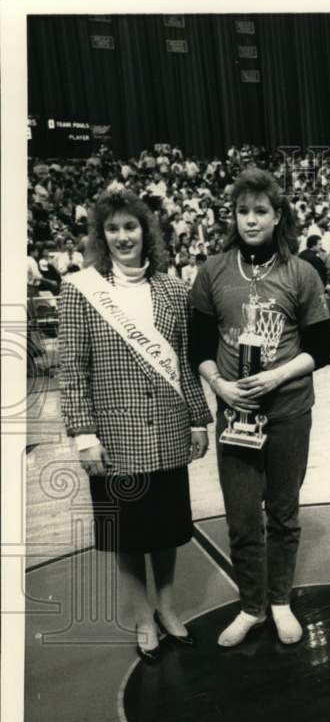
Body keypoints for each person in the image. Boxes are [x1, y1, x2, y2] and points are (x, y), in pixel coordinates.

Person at [58, 182, 212, 662]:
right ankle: (142, 617)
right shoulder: (79, 290)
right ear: (101, 236)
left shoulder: (171, 288)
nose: (124, 236)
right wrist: (84, 435)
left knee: (165, 529)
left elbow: (185, 363)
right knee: (127, 534)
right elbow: (71, 369)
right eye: (113, 228)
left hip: (167, 429)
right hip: (114, 437)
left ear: (147, 232)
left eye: (131, 227)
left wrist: (198, 420)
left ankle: (166, 609)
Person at [189, 168, 330, 648]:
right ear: (233, 216)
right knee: (240, 518)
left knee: (283, 513)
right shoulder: (213, 270)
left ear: (277, 216)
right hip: (234, 413)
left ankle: (279, 602)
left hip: (289, 411)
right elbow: (197, 345)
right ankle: (250, 607)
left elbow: (324, 347)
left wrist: (275, 375)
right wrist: (221, 387)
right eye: (242, 211)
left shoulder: (301, 272)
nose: (250, 220)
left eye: (260, 211)